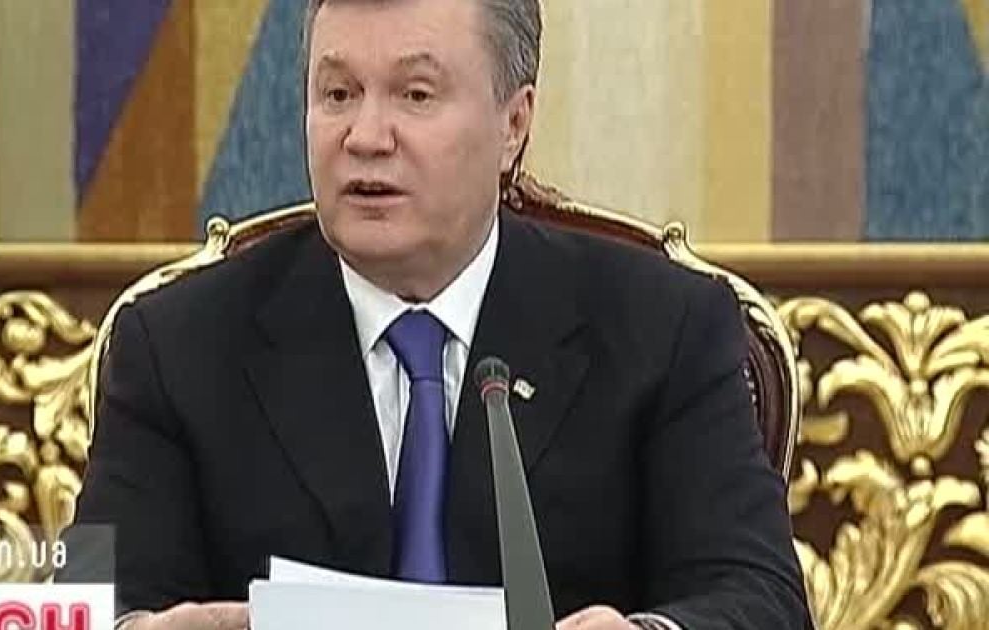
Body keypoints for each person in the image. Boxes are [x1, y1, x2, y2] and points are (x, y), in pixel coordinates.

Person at [67, 0, 814, 628]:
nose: (365, 137)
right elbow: (91, 602)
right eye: (338, 94)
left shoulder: (663, 329)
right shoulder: (178, 343)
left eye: (416, 95)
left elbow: (760, 600)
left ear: (514, 123)